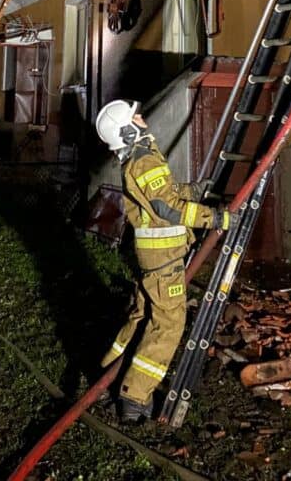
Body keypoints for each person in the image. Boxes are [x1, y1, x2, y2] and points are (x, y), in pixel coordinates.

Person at [96, 99, 237, 423]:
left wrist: (194, 190)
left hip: (153, 259)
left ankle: (108, 372)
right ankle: (134, 395)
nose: (142, 118)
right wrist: (215, 219)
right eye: (136, 117)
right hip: (163, 260)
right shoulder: (143, 160)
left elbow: (165, 194)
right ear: (129, 131)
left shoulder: (140, 158)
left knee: (142, 314)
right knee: (168, 326)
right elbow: (167, 208)